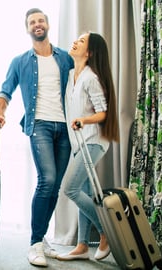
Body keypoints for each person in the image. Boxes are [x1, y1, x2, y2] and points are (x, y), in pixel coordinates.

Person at [0, 8, 74, 267]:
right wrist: (0, 114)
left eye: (40, 20)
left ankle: (41, 240)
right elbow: (4, 92)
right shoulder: (20, 61)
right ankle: (34, 244)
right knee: (47, 180)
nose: (37, 25)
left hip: (66, 129)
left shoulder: (65, 58)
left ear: (47, 25)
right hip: (39, 125)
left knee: (55, 188)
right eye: (32, 22)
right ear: (28, 29)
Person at [57, 32, 120, 261]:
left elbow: (103, 112)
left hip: (93, 141)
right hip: (78, 143)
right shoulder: (73, 73)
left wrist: (84, 120)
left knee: (70, 189)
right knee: (82, 192)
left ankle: (105, 232)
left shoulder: (91, 77)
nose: (75, 41)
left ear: (89, 52)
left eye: (81, 41)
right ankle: (82, 245)